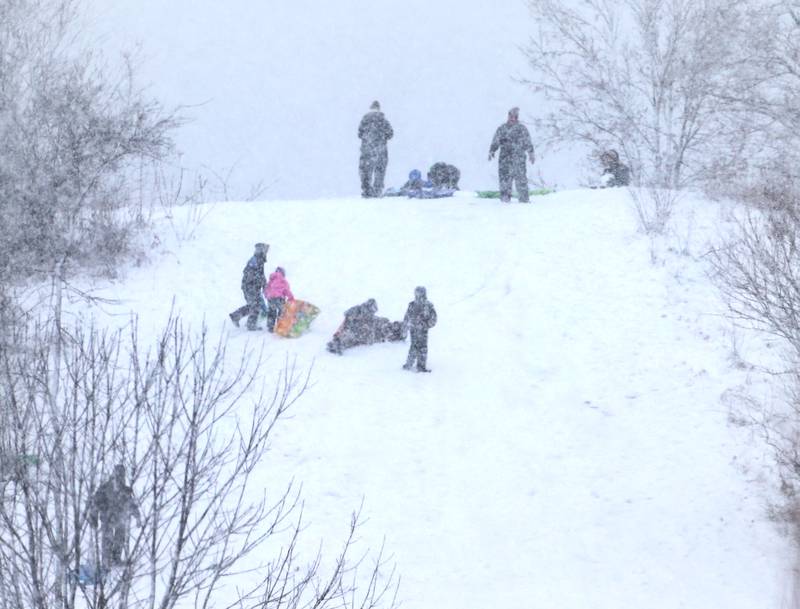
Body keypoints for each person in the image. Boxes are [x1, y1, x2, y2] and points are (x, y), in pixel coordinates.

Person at [89, 464, 141, 567]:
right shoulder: (105, 488)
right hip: (107, 518)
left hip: (120, 518)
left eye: (122, 475)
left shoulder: (125, 490)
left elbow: (131, 504)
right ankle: (106, 561)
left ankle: (116, 559)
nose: (120, 477)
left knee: (120, 537)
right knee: (107, 539)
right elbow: (96, 502)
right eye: (118, 474)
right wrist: (93, 517)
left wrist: (137, 517)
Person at [488, 107, 535, 203]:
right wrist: (492, 151)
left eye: (515, 117)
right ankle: (505, 198)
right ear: (508, 116)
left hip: (519, 159)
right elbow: (496, 141)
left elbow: (527, 142)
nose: (513, 118)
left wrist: (531, 153)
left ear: (517, 118)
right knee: (504, 180)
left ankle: (524, 199)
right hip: (505, 159)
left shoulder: (522, 129)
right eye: (511, 116)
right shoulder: (502, 129)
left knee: (521, 179)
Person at [229, 243, 269, 331]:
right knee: (255, 305)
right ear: (261, 250)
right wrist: (261, 283)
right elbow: (252, 274)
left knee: (253, 305)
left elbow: (261, 275)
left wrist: (264, 285)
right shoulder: (255, 260)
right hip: (250, 287)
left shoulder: (259, 260)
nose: (266, 252)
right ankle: (250, 324)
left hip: (251, 287)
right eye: (265, 250)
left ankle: (236, 316)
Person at [358, 101, 394, 198]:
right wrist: (381, 137)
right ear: (379, 108)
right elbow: (390, 133)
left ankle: (366, 191)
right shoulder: (383, 120)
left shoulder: (364, 120)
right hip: (380, 149)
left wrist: (368, 139)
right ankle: (377, 191)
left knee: (365, 169)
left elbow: (359, 134)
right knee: (380, 169)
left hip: (366, 148)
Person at [402, 286, 437, 373]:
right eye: (416, 292)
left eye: (419, 292)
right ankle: (409, 364)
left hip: (423, 331)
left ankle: (420, 366)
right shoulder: (412, 305)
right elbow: (407, 317)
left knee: (422, 348)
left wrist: (425, 325)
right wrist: (405, 328)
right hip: (413, 330)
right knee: (414, 346)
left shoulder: (428, 305)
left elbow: (434, 319)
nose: (417, 294)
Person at [263, 266, 295, 332]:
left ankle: (270, 327)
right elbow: (286, 290)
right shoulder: (283, 280)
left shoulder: (271, 280)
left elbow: (266, 289)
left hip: (271, 299)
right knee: (281, 312)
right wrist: (291, 298)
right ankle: (280, 326)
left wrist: (267, 296)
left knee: (271, 312)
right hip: (279, 299)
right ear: (283, 273)